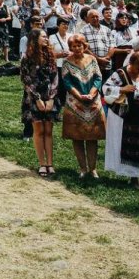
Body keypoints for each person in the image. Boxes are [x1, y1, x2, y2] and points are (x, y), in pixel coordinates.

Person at [101, 50, 139, 188]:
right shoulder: (120, 74)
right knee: (129, 146)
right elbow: (105, 89)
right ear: (131, 63)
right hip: (127, 115)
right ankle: (133, 177)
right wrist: (122, 89)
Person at [61, 34, 104, 179]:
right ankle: (82, 169)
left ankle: (93, 169)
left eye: (79, 45)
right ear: (70, 48)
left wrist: (92, 93)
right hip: (75, 103)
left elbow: (98, 77)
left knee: (93, 137)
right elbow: (66, 82)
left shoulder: (92, 59)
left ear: (84, 46)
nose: (77, 48)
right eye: (73, 46)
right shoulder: (67, 62)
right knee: (77, 136)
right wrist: (79, 96)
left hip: (93, 102)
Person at [20, 28, 59, 176]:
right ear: (34, 39)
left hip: (49, 97)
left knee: (48, 131)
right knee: (39, 130)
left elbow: (55, 78)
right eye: (43, 36)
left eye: (46, 36)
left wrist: (51, 98)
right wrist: (37, 99)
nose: (46, 38)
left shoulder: (51, 56)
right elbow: (25, 80)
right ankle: (42, 163)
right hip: (33, 98)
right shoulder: (27, 58)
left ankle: (50, 163)